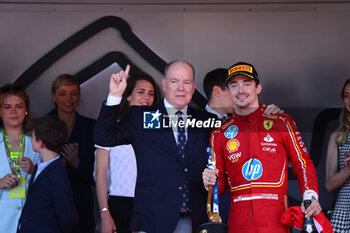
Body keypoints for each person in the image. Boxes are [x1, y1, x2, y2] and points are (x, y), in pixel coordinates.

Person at [94, 61, 217, 233]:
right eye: (174, 81)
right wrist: (115, 96)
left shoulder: (206, 121)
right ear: (165, 85)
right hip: (153, 220)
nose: (181, 88)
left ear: (194, 86)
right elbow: (104, 138)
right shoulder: (143, 116)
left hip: (197, 221)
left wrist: (266, 117)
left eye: (186, 82)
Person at [202, 62, 322, 233]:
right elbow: (219, 185)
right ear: (228, 91)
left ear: (258, 88)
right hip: (239, 224)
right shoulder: (219, 133)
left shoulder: (281, 122)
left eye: (247, 84)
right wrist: (209, 180)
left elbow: (302, 163)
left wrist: (310, 196)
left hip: (276, 222)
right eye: (234, 85)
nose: (240, 90)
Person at [95, 73, 159, 233]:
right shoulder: (111, 130)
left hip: (152, 203)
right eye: (141, 92)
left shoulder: (160, 131)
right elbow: (100, 174)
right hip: (119, 203)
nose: (147, 97)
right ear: (128, 95)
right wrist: (104, 214)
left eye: (151, 94)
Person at [49, 74, 95, 233]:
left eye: (74, 93)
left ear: (79, 96)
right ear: (53, 96)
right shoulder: (41, 126)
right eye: (62, 93)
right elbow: (34, 175)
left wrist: (77, 163)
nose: (68, 98)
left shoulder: (91, 127)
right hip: (50, 207)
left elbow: (98, 177)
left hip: (81, 206)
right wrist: (61, 164)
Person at [17, 115, 76, 233]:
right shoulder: (40, 166)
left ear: (41, 143)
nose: (30, 139)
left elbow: (67, 217)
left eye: (33, 137)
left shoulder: (58, 175)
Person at [0, 83, 41, 233]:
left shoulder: (38, 142)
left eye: (19, 106)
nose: (13, 112)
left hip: (32, 220)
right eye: (7, 107)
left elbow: (50, 182)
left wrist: (34, 170)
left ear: (26, 110)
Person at [325, 78, 350, 232]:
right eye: (347, 95)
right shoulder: (338, 136)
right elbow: (329, 185)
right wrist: (347, 170)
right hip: (344, 210)